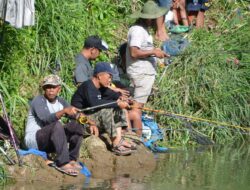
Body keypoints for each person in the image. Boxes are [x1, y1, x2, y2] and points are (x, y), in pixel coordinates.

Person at [24, 75, 95, 176]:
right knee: (56, 125)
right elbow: (46, 120)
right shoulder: (38, 100)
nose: (51, 90)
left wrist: (88, 122)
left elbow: (75, 115)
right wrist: (64, 111)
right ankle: (63, 163)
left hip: (51, 140)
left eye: (54, 87)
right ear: (44, 89)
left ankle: (71, 159)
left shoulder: (61, 101)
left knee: (77, 125)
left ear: (59, 89)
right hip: (34, 140)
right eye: (48, 87)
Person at [71, 62, 136, 156]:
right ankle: (116, 144)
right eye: (109, 76)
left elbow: (113, 95)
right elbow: (95, 104)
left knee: (118, 109)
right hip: (82, 121)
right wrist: (117, 103)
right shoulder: (87, 86)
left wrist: (124, 99)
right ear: (99, 75)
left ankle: (119, 139)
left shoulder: (101, 87)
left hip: (94, 120)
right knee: (108, 109)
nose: (110, 80)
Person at [127, 1, 169, 135]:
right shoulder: (138, 30)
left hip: (143, 74)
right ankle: (135, 137)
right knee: (137, 108)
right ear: (149, 18)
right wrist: (153, 52)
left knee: (136, 105)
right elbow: (134, 52)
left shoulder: (143, 30)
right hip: (141, 74)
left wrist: (156, 53)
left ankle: (132, 135)